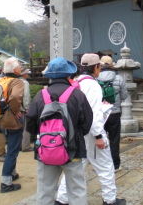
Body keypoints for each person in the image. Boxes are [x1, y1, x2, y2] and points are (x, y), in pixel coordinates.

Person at [56, 53, 126, 205]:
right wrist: (99, 136)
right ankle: (109, 199)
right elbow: (93, 113)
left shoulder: (75, 82)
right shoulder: (93, 85)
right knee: (106, 166)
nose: (99, 69)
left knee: (75, 167)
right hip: (91, 133)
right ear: (95, 67)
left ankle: (61, 199)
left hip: (76, 132)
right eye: (99, 66)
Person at [26, 57, 93, 205]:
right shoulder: (77, 95)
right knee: (77, 190)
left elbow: (30, 123)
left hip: (45, 149)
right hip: (73, 149)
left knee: (45, 191)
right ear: (68, 75)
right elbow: (87, 123)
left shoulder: (40, 96)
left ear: (50, 75)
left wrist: (45, 135)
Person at [97, 55, 128, 172]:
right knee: (114, 139)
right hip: (114, 113)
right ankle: (116, 165)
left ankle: (101, 165)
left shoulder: (96, 78)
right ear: (112, 65)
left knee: (101, 139)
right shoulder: (119, 78)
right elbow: (124, 96)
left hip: (101, 114)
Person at [0, 57, 25, 193]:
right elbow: (15, 98)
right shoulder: (17, 82)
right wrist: (15, 111)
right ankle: (6, 182)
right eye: (20, 66)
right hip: (12, 119)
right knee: (12, 151)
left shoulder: (0, 80)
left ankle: (12, 173)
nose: (21, 68)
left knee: (10, 147)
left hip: (1, 118)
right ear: (15, 69)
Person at [20, 67, 32, 152]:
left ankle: (19, 145)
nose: (28, 74)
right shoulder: (25, 82)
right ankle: (25, 146)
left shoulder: (14, 81)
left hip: (15, 108)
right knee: (25, 128)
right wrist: (27, 107)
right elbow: (26, 96)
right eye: (27, 73)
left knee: (18, 128)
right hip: (23, 108)